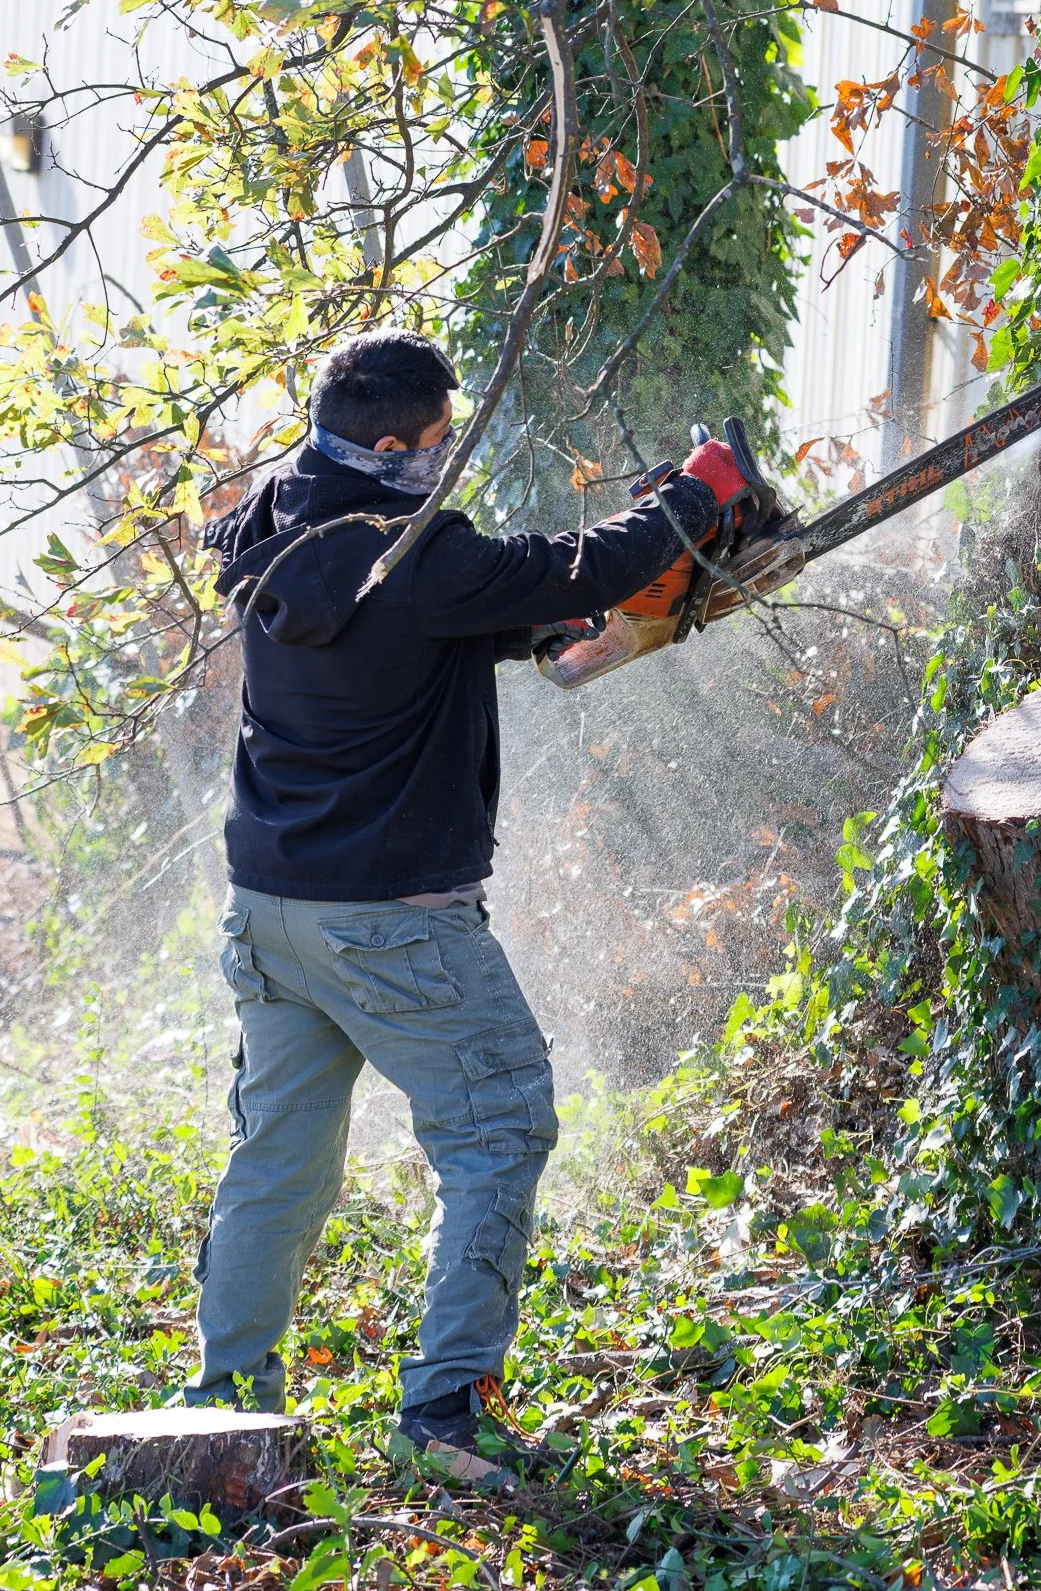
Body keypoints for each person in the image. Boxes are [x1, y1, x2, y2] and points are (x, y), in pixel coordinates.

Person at [184, 328, 755, 1488]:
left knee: (276, 1165)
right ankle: (444, 1416)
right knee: (499, 1127)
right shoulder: (412, 552)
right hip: (391, 916)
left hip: (272, 908)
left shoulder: (279, 520)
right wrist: (701, 494)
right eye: (440, 441)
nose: (449, 459)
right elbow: (572, 567)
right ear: (392, 444)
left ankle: (225, 1405)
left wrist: (542, 626)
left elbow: (439, 629)